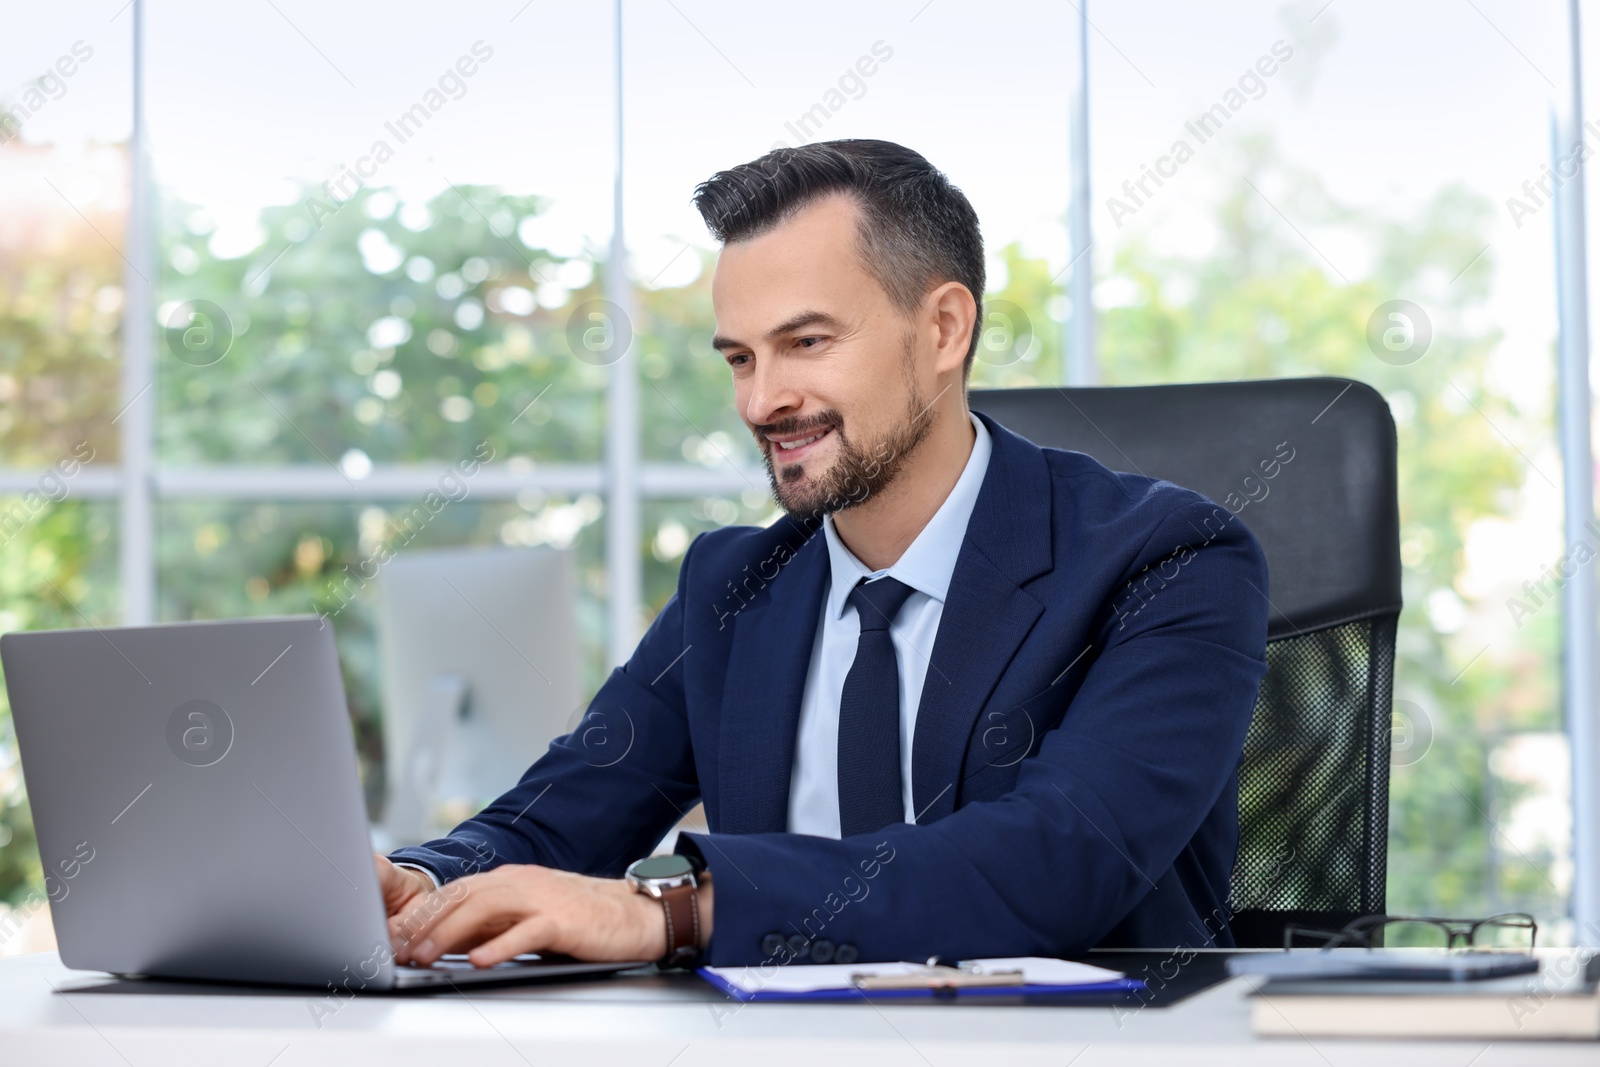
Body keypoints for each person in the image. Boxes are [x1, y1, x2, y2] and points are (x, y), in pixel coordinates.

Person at [376, 139, 1269, 970]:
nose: (763, 401)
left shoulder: (1169, 563)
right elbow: (561, 817)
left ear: (945, 328)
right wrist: (421, 882)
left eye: (806, 342)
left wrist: (678, 908)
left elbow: (1059, 858)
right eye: (739, 358)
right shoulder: (734, 587)